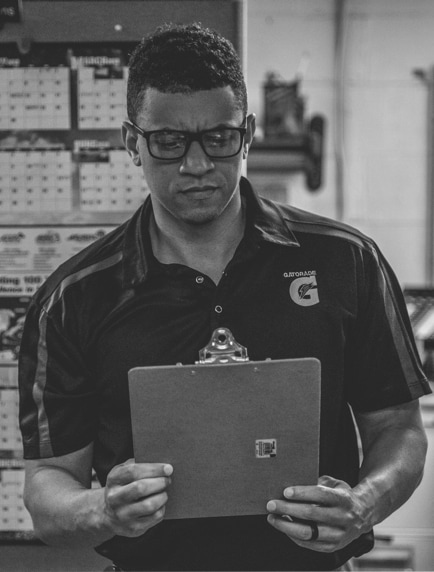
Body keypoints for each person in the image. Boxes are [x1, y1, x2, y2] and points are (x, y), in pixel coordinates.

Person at [18, 22, 430, 572]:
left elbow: (399, 429)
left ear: (248, 133)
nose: (197, 165)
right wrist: (103, 509)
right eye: (169, 142)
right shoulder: (73, 298)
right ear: (132, 143)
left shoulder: (345, 261)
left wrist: (363, 504)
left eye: (219, 138)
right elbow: (48, 485)